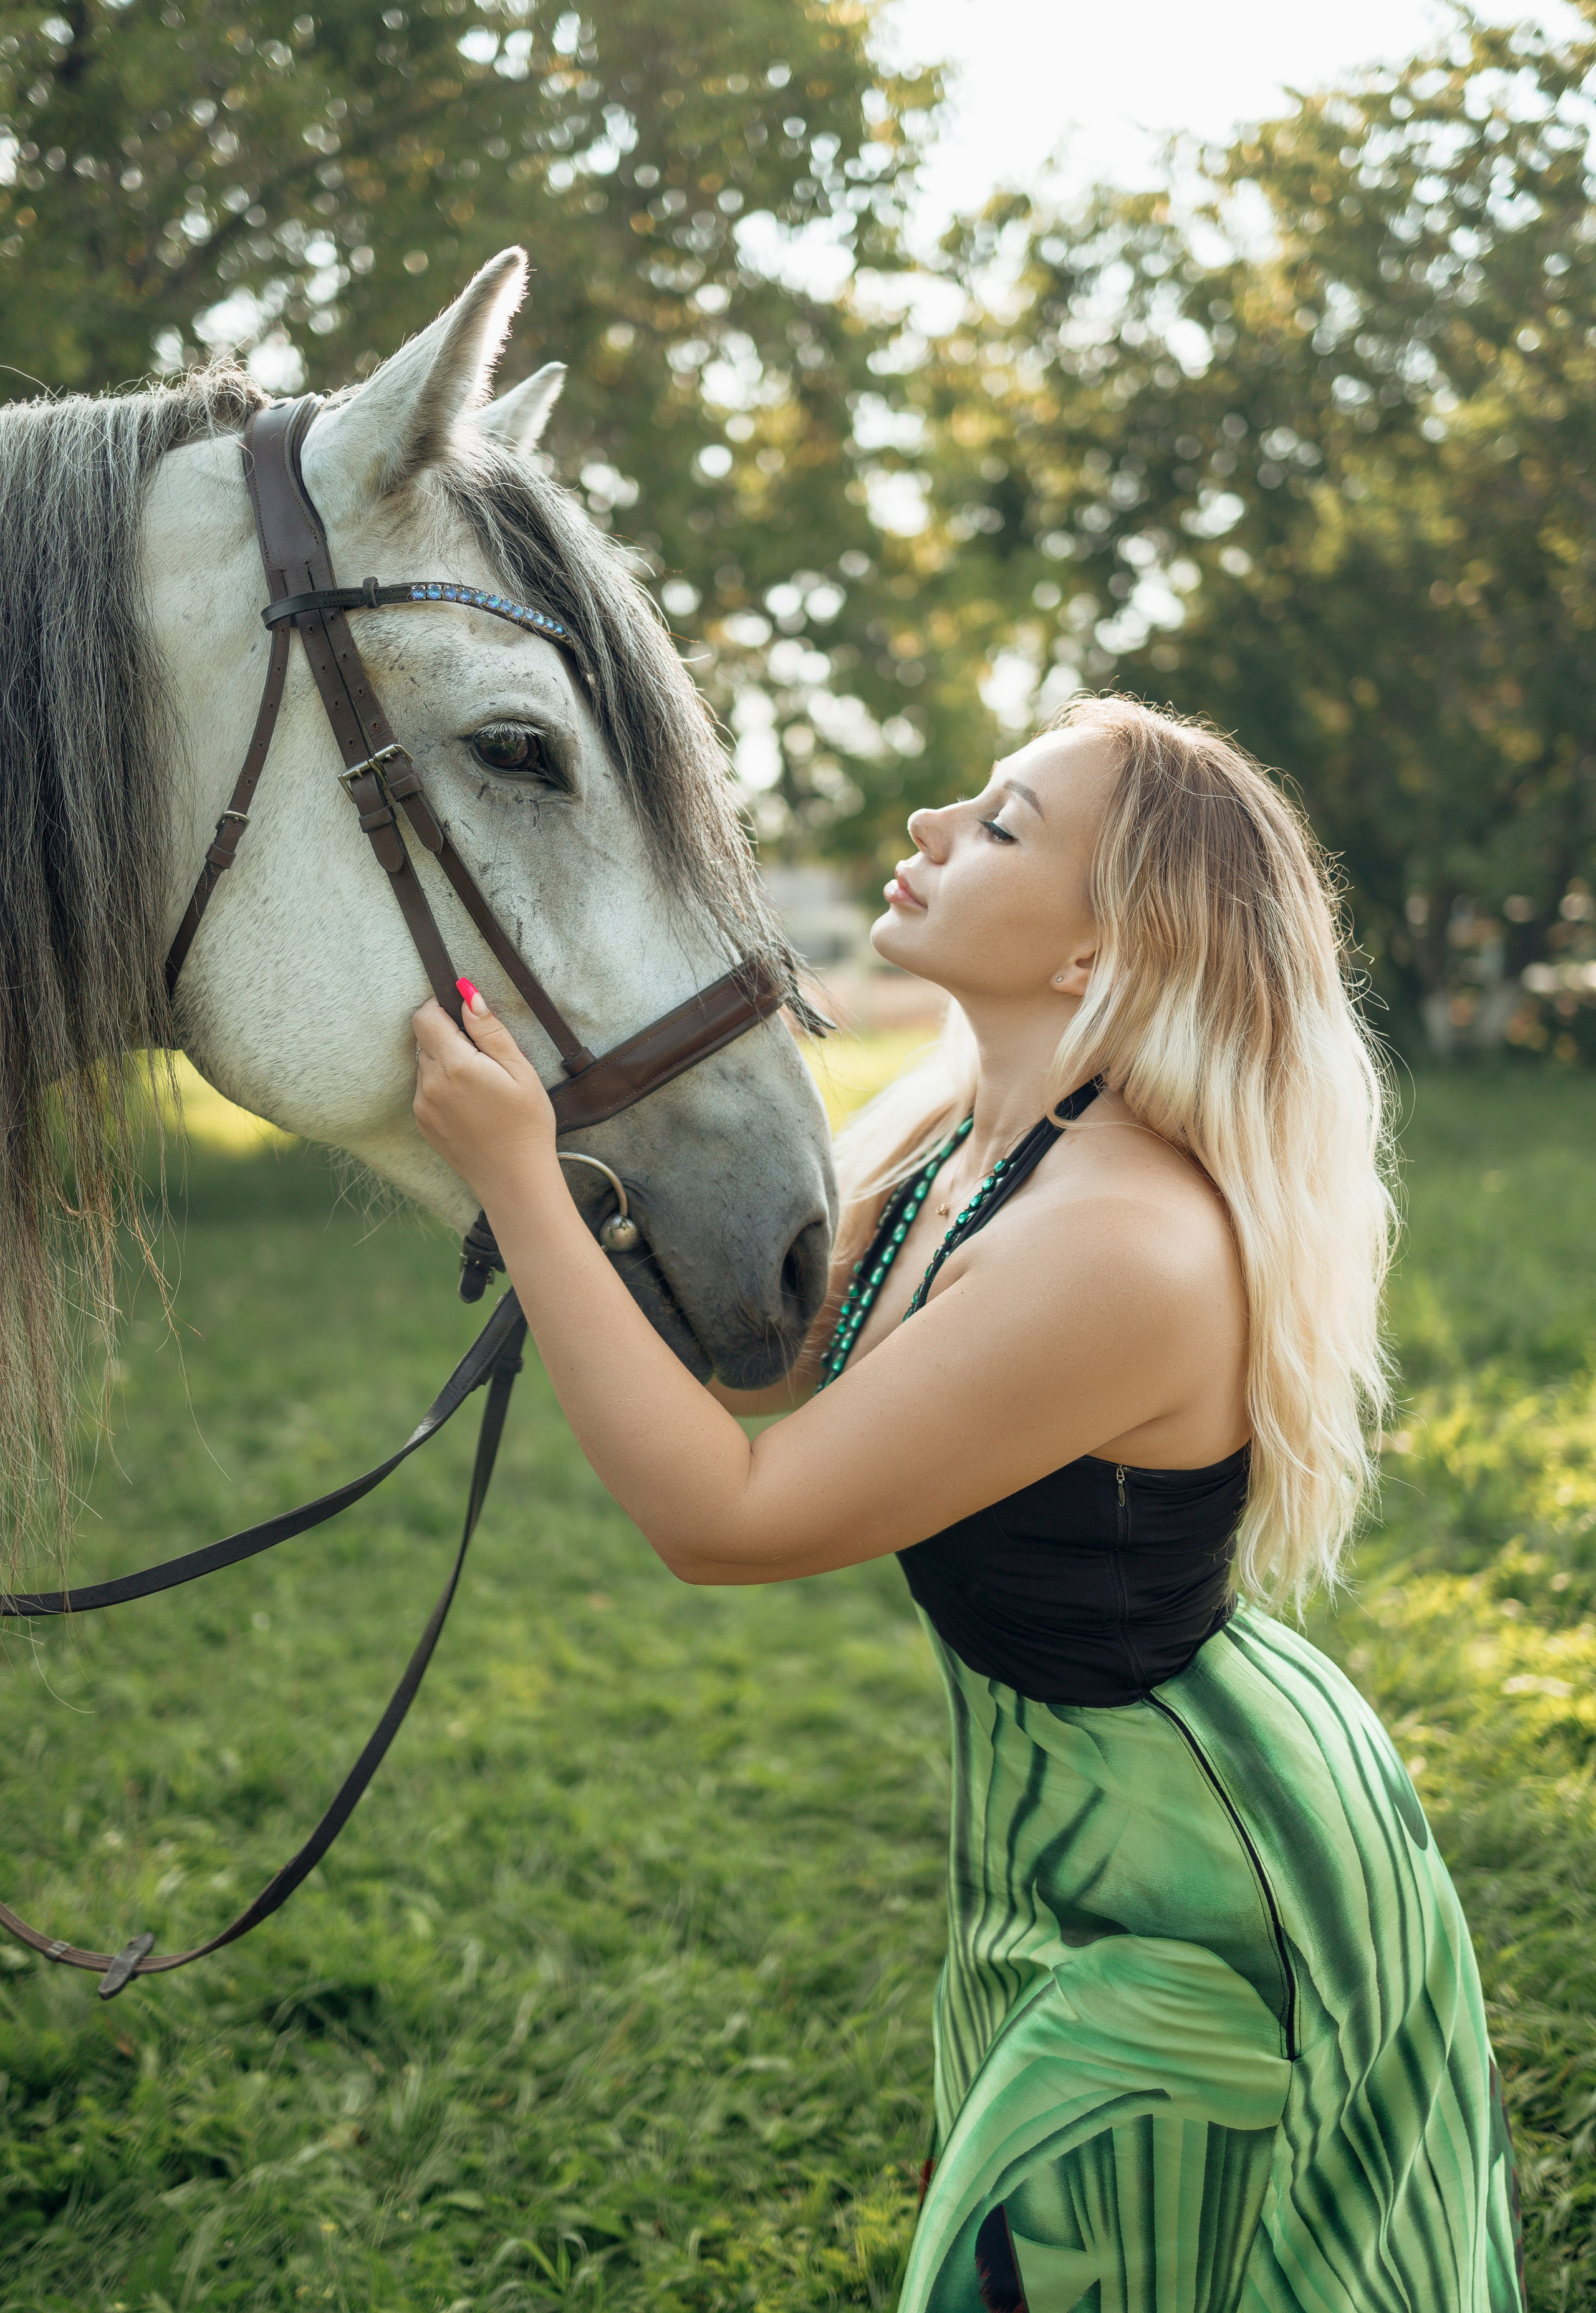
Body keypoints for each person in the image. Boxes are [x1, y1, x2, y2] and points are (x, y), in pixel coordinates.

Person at [412, 696, 1523, 2313]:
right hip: (1057, 1825)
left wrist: (521, 1186)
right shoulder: (959, 1132)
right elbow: (765, 1367)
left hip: (1205, 1880)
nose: (934, 826)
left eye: (1001, 825)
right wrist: (565, 1170)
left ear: (1095, 952)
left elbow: (731, 1516)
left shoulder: (1120, 1239)